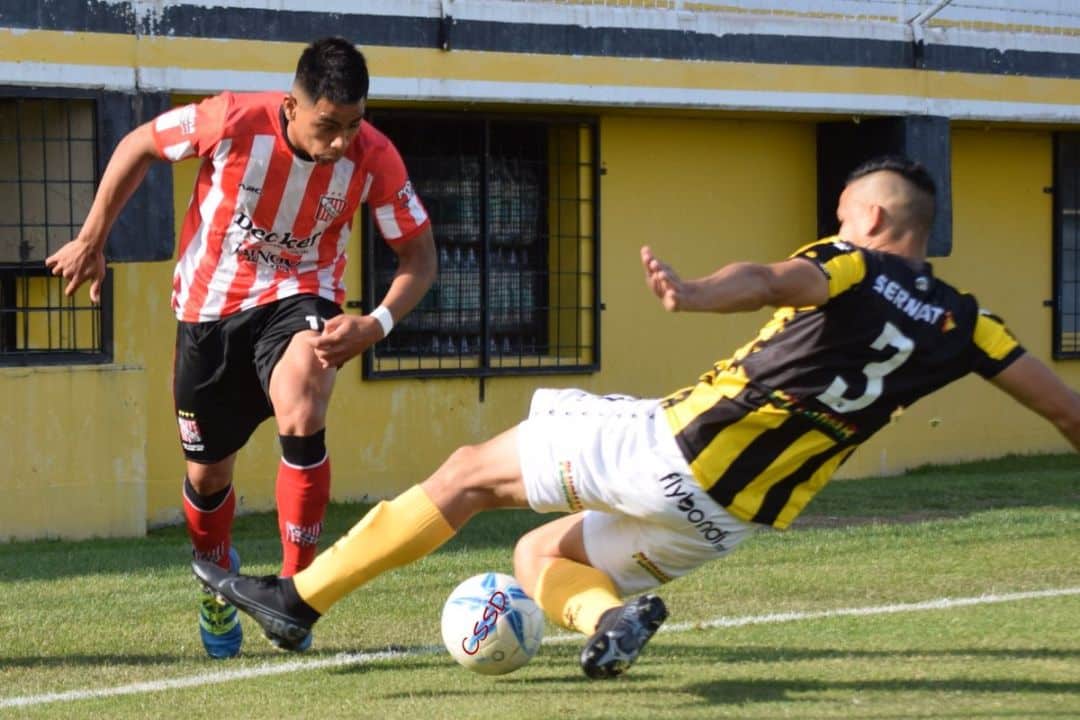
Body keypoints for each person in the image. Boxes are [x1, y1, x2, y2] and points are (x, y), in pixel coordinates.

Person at [194, 156, 1080, 678]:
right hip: (730, 516)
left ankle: (297, 601)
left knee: (466, 474)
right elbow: (1064, 409)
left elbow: (777, 280)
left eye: (843, 213)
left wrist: (694, 294)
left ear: (873, 217)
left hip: (669, 448)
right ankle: (606, 622)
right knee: (541, 553)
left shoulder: (851, 261)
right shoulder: (971, 322)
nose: (836, 223)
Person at [47, 37, 437, 659]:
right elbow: (138, 145)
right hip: (208, 314)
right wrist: (93, 237)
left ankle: (297, 594)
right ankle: (213, 581)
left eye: (354, 124)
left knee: (306, 398)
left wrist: (378, 322)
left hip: (301, 296)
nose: (340, 141)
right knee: (207, 477)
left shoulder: (374, 157)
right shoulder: (229, 118)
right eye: (327, 126)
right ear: (290, 106)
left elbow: (419, 255)